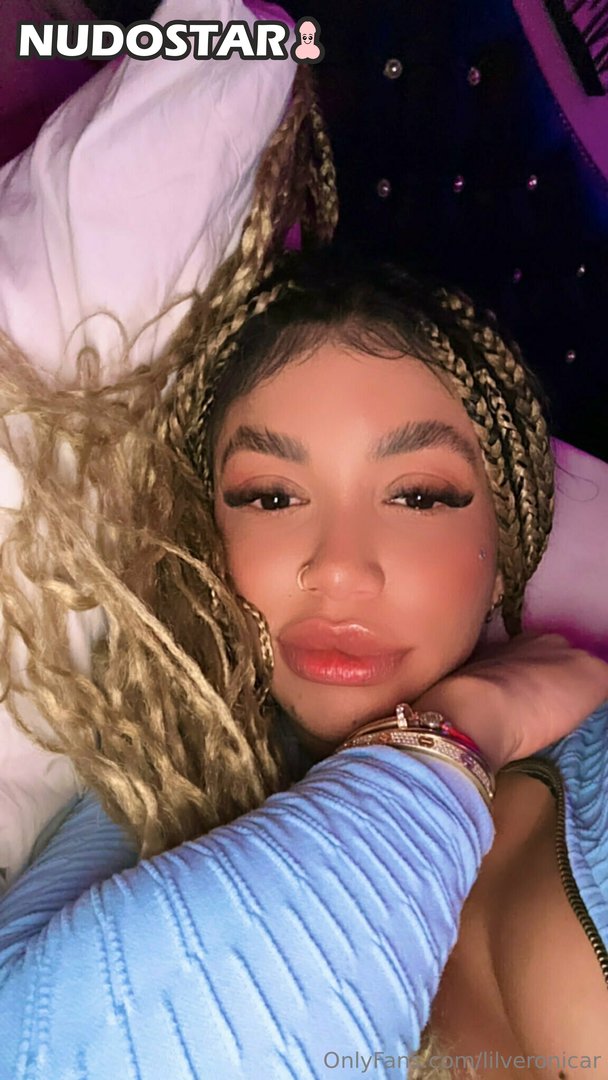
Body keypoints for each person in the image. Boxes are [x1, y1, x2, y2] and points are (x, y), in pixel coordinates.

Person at [0, 239, 607, 1079]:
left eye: (418, 496)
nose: (339, 569)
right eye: (272, 496)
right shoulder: (156, 766)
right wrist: (455, 732)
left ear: (504, 552)